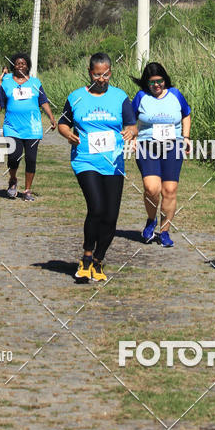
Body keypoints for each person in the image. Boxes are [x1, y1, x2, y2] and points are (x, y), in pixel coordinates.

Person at [58, 52, 137, 284]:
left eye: (106, 75)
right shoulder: (76, 97)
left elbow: (132, 125)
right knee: (97, 207)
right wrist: (67, 134)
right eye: (97, 75)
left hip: (113, 163)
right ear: (89, 72)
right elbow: (63, 123)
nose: (101, 79)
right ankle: (86, 256)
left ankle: (98, 259)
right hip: (85, 160)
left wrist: (131, 132)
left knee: (111, 216)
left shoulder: (120, 97)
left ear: (110, 73)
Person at [132, 63, 191, 248]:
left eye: (160, 81)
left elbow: (186, 114)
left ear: (165, 79)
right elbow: (130, 118)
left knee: (170, 190)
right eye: (152, 82)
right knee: (152, 188)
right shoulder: (141, 96)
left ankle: (164, 231)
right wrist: (132, 136)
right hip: (147, 146)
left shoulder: (175, 94)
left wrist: (186, 137)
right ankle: (151, 220)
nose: (156, 85)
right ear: (146, 82)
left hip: (173, 145)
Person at [0, 52, 56, 201]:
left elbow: (43, 101)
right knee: (14, 157)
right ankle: (13, 179)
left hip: (33, 127)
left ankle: (27, 190)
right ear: (14, 66)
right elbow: (0, 102)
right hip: (12, 127)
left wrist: (51, 117)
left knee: (31, 159)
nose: (20, 66)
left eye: (23, 64)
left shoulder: (35, 83)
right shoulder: (6, 83)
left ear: (28, 66)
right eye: (18, 64)